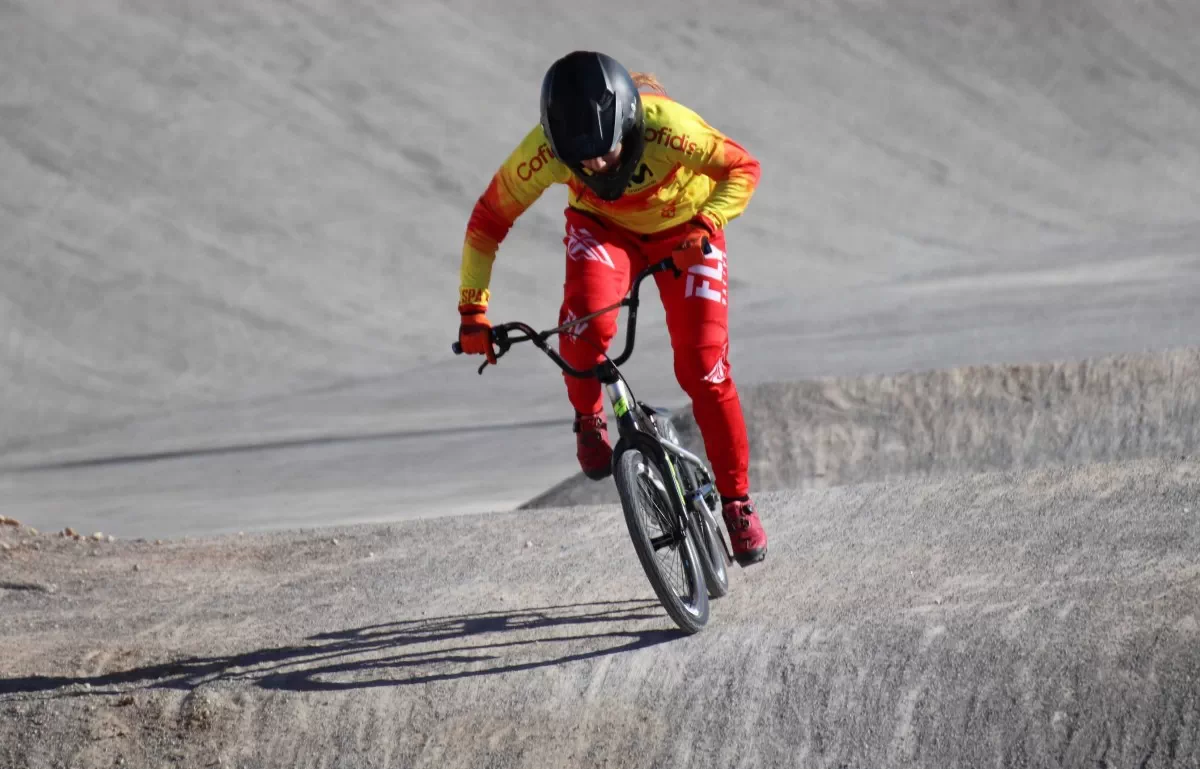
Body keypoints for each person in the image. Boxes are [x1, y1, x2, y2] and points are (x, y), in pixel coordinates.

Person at [455, 50, 767, 566]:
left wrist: (707, 224)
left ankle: (736, 502)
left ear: (629, 122)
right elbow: (488, 220)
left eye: (607, 151)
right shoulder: (547, 149)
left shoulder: (669, 127)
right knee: (584, 328)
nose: (597, 166)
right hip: (603, 230)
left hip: (684, 230)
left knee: (704, 367)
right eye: (582, 160)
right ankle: (587, 418)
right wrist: (473, 313)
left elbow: (743, 168)